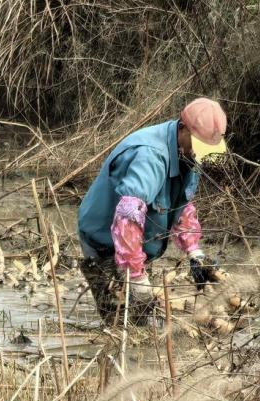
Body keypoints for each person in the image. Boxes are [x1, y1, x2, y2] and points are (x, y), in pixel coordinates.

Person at [77, 97, 228, 325]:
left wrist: (195, 253)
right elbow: (127, 219)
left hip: (139, 239)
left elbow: (181, 205)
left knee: (142, 314)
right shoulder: (150, 157)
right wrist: (136, 277)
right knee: (122, 320)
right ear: (183, 128)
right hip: (104, 238)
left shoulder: (189, 153)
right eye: (199, 146)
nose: (201, 154)